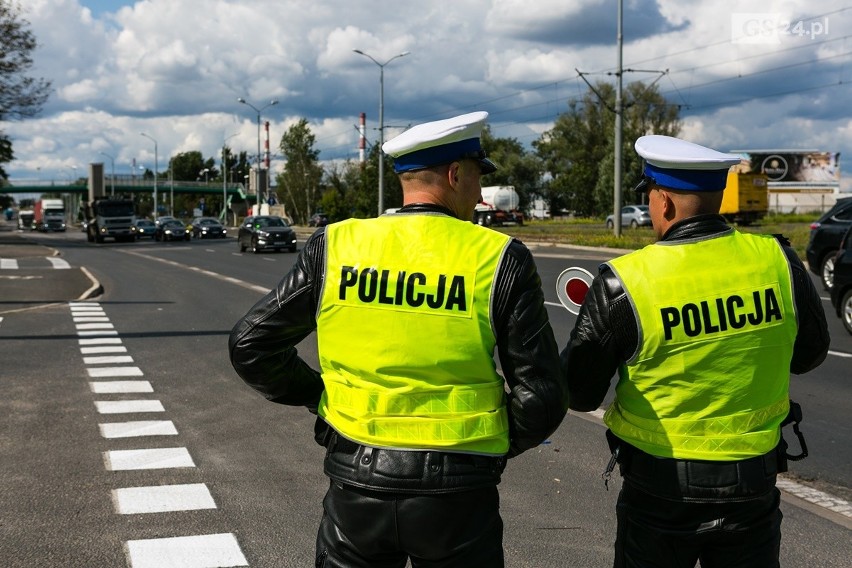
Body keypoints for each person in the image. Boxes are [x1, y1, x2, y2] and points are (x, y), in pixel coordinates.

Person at [229, 111, 568, 568]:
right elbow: (542, 395)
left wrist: (321, 397)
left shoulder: (337, 245)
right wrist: (490, 450)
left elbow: (250, 344)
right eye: (476, 179)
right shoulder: (498, 257)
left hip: (356, 479)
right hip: (459, 493)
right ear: (455, 175)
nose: (480, 194)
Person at [560, 135, 830, 568]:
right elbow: (810, 354)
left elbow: (580, 392)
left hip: (660, 489)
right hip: (753, 485)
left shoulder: (625, 280)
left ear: (663, 203)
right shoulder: (777, 257)